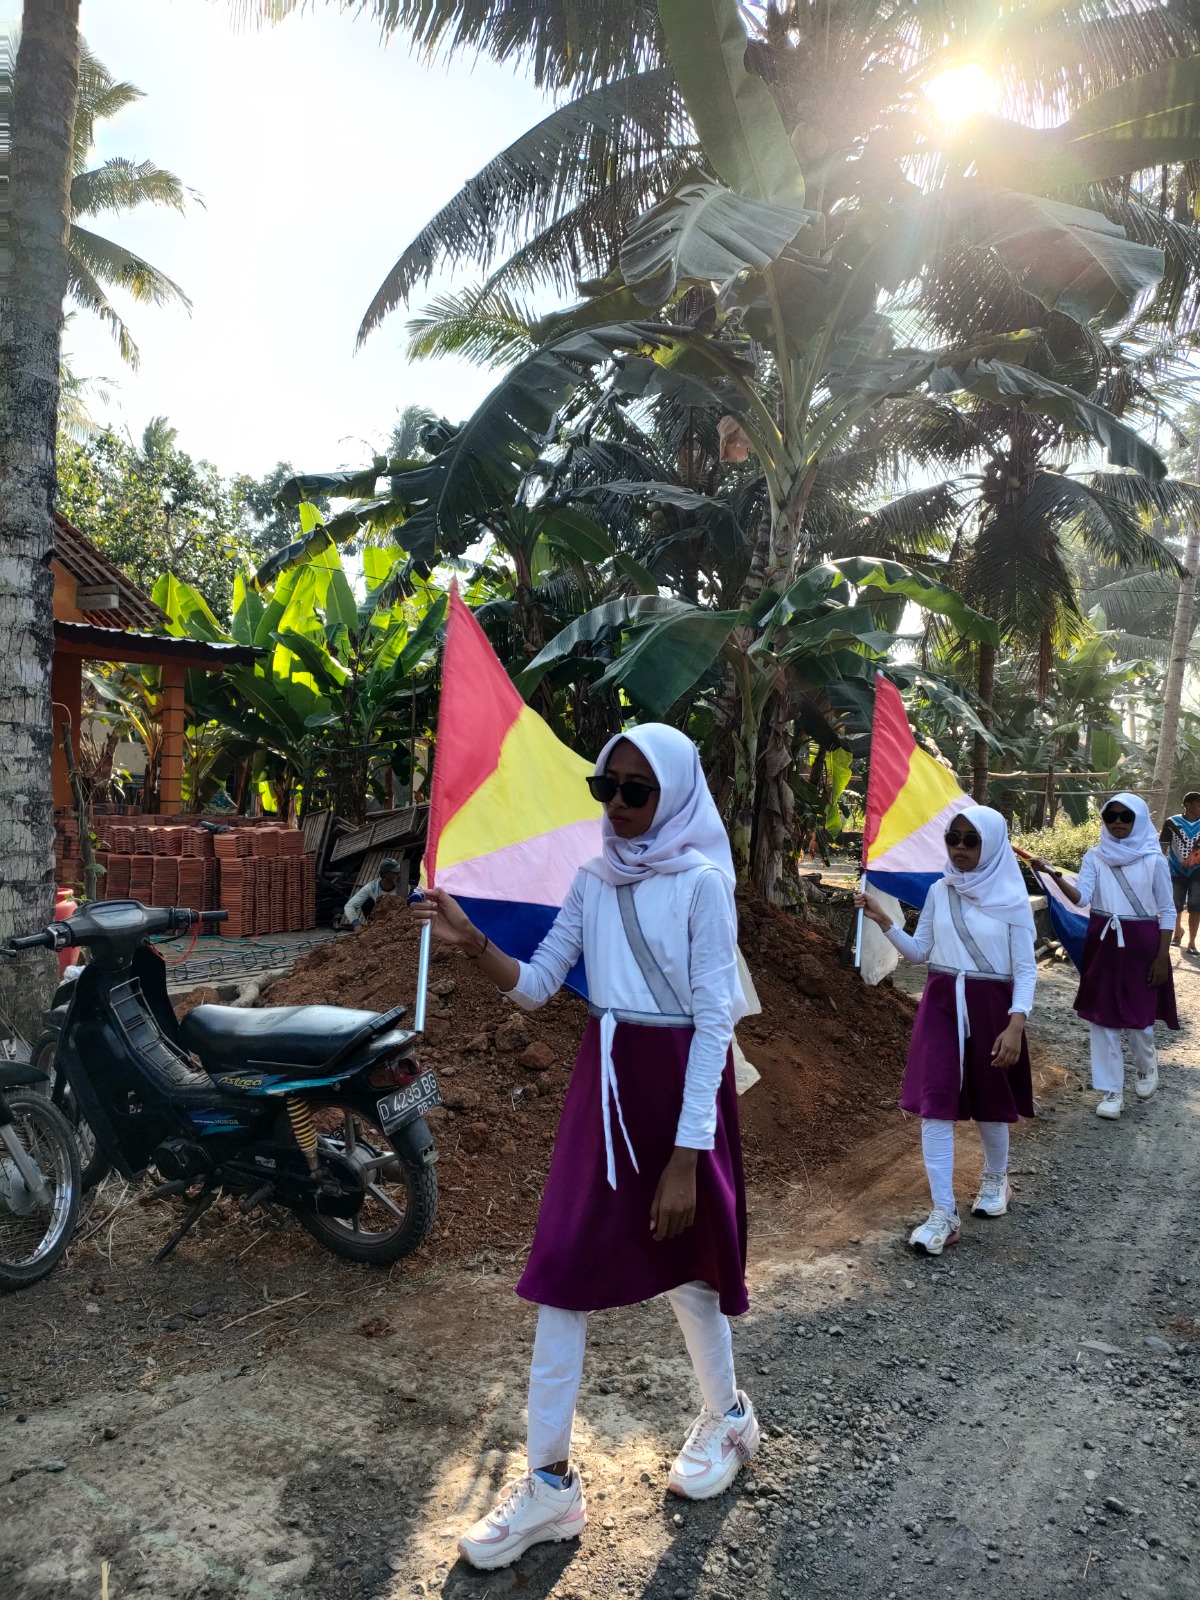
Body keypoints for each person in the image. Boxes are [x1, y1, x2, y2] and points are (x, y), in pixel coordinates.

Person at [411, 725, 757, 1571]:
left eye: (637, 791)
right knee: (560, 1276)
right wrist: (472, 942)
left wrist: (684, 1154)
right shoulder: (593, 879)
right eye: (607, 790)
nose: (620, 807)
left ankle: (730, 1417)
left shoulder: (705, 884)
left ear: (673, 793)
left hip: (677, 1087)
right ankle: (551, 1487)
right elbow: (535, 989)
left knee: (691, 1272)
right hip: (602, 1089)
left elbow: (714, 1019)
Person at [856, 806, 1036, 1258]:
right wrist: (883, 919)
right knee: (934, 1107)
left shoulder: (1013, 899)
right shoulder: (939, 890)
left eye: (970, 841)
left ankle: (997, 1178)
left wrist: (1016, 1024)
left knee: (991, 1104)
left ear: (991, 844)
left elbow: (1027, 970)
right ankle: (943, 1213)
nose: (959, 848)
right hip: (940, 1005)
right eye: (952, 838)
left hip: (993, 1007)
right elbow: (920, 953)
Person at [1034, 793, 1177, 1118]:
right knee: (1103, 1020)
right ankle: (1111, 1092)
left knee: (1140, 1019)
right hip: (1104, 943)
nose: (1117, 822)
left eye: (1124, 816)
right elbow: (1082, 898)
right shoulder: (1095, 857)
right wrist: (1054, 874)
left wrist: (1160, 957)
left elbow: (1167, 910)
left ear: (1138, 819)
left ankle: (1146, 1066)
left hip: (1142, 946)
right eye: (1110, 817)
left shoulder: (1153, 860)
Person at [1159, 791, 1200, 952]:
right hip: (1175, 870)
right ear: (1188, 805)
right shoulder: (1172, 822)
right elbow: (1162, 847)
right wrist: (1159, 868)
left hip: (1198, 872)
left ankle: (1192, 943)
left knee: (1196, 906)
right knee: (1175, 904)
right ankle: (1177, 933)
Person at [342, 859, 404, 929]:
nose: (398, 876)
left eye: (399, 873)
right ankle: (373, 926)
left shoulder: (404, 888)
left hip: (397, 923)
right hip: (379, 922)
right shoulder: (372, 887)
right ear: (384, 875)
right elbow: (349, 906)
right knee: (367, 902)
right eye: (394, 873)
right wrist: (356, 924)